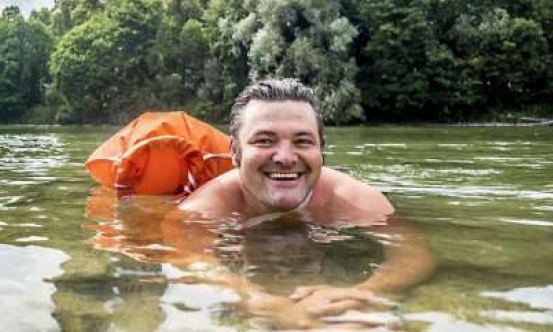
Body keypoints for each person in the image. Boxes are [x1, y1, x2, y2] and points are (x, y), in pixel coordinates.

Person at [161, 78, 436, 329]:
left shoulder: (352, 198)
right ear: (235, 152)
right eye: (264, 140)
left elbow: (413, 253)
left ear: (321, 151)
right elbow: (187, 258)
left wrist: (364, 294)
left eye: (302, 141)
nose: (285, 157)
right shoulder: (205, 207)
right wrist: (252, 299)